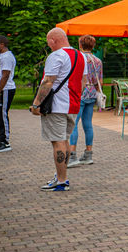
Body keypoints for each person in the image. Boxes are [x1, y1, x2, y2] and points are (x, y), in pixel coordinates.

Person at [31, 27, 85, 192]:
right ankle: (62, 176)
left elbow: (48, 81)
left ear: (52, 40)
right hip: (73, 105)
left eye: (49, 43)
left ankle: (61, 180)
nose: (49, 46)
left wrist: (36, 104)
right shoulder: (80, 56)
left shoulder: (56, 56)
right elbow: (83, 82)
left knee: (58, 142)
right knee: (64, 140)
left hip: (56, 106)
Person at [67, 35, 103, 168]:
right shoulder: (98, 61)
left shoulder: (78, 58)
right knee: (88, 124)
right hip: (92, 93)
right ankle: (88, 154)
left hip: (80, 93)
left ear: (80, 45)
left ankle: (72, 155)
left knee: (74, 124)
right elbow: (100, 81)